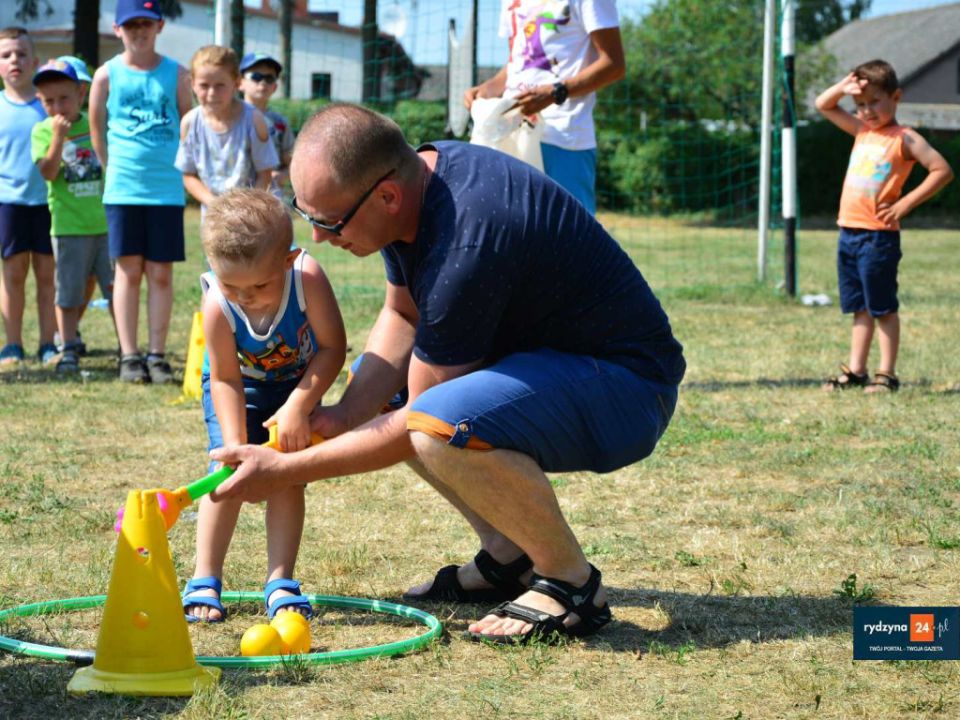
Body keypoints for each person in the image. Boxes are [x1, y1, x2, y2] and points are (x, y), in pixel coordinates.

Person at [208, 104, 685, 644]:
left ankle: (569, 581)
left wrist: (288, 470)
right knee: (393, 395)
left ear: (387, 197)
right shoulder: (412, 186)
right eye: (307, 215)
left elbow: (423, 419)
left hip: (628, 389)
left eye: (329, 222)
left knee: (440, 421)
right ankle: (509, 555)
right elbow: (403, 314)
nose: (318, 238)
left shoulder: (467, 237)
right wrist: (343, 416)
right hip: (567, 368)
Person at [182, 188, 346, 622]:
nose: (246, 297)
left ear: (288, 261)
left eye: (259, 285)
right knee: (226, 472)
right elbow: (224, 378)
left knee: (287, 473)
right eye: (232, 286)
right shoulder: (217, 303)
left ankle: (280, 581)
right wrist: (236, 444)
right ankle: (205, 577)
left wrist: (298, 407)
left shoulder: (307, 279)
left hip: (296, 385)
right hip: (238, 387)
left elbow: (333, 348)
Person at [816, 60, 953, 393]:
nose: (867, 111)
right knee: (859, 308)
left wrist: (905, 203)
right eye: (860, 104)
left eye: (875, 102)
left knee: (883, 308)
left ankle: (886, 374)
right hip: (848, 233)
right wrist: (844, 86)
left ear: (896, 97)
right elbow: (823, 105)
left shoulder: (904, 138)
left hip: (877, 237)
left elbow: (942, 170)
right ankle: (856, 371)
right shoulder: (862, 131)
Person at [89, 0, 193, 383]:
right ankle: (129, 356)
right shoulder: (106, 75)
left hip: (166, 189)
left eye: (146, 24)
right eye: (130, 25)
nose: (139, 31)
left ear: (159, 26)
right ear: (117, 29)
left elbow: (188, 125)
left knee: (160, 273)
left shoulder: (177, 74)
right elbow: (97, 130)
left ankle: (157, 355)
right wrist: (113, 170)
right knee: (128, 271)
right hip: (123, 190)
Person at [463, 0, 625, 215]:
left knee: (571, 231)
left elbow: (614, 64)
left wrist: (556, 92)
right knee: (510, 228)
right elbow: (518, 62)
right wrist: (489, 88)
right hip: (512, 133)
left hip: (563, 137)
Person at [31, 59, 115, 374]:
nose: (57, 108)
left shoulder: (97, 124)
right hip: (68, 228)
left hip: (107, 225)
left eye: (64, 98)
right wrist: (57, 138)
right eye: (49, 101)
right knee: (67, 293)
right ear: (40, 101)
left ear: (81, 94)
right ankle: (67, 347)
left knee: (115, 290)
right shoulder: (41, 130)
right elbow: (48, 173)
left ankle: (127, 348)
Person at [0, 27, 57, 366]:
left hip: (49, 203)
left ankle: (49, 343)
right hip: (9, 204)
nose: (14, 61)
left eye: (21, 54)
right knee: (13, 275)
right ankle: (13, 343)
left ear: (35, 62)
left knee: (48, 277)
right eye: (6, 55)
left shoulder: (48, 106)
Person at [176, 46, 278, 212]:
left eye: (220, 85)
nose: (211, 93)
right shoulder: (189, 123)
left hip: (251, 214)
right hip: (213, 216)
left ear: (236, 83)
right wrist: (215, 204)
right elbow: (188, 175)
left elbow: (265, 174)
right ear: (193, 84)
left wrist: (245, 209)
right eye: (204, 85)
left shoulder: (254, 120)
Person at [239, 52, 294, 198]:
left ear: (275, 87)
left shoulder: (280, 123)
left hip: (270, 195)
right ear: (240, 83)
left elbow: (291, 161)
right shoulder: (232, 117)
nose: (263, 82)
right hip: (235, 192)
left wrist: (283, 175)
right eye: (256, 77)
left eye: (269, 78)